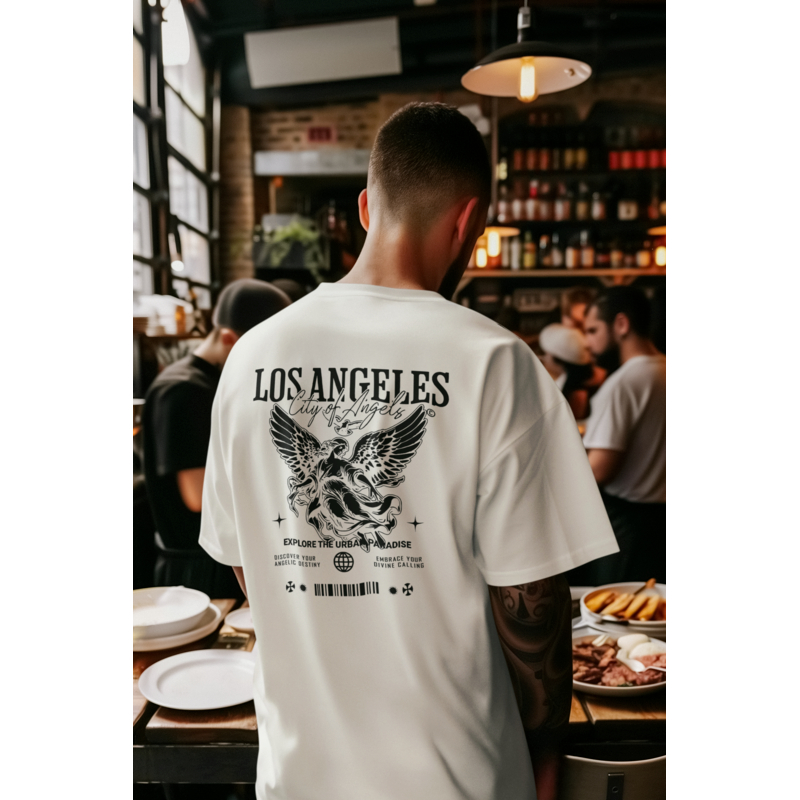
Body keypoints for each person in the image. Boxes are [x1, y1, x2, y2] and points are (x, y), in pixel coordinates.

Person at [199, 103, 618, 800]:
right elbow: (533, 607)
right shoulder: (497, 363)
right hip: (461, 780)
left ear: (366, 207)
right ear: (467, 222)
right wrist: (546, 762)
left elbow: (251, 564)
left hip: (298, 779)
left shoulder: (249, 360)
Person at [143, 279, 291, 598]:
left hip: (216, 558)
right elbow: (197, 496)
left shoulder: (209, 383)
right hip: (198, 569)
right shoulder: (183, 391)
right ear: (227, 338)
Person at [580, 285, 666, 584]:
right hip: (661, 522)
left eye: (593, 330)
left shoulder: (624, 383)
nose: (587, 342)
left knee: (617, 608)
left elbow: (600, 470)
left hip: (628, 526)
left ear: (621, 324)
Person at [538, 323, 605, 420]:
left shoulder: (577, 395)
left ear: (558, 360)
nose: (543, 358)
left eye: (545, 353)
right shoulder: (577, 380)